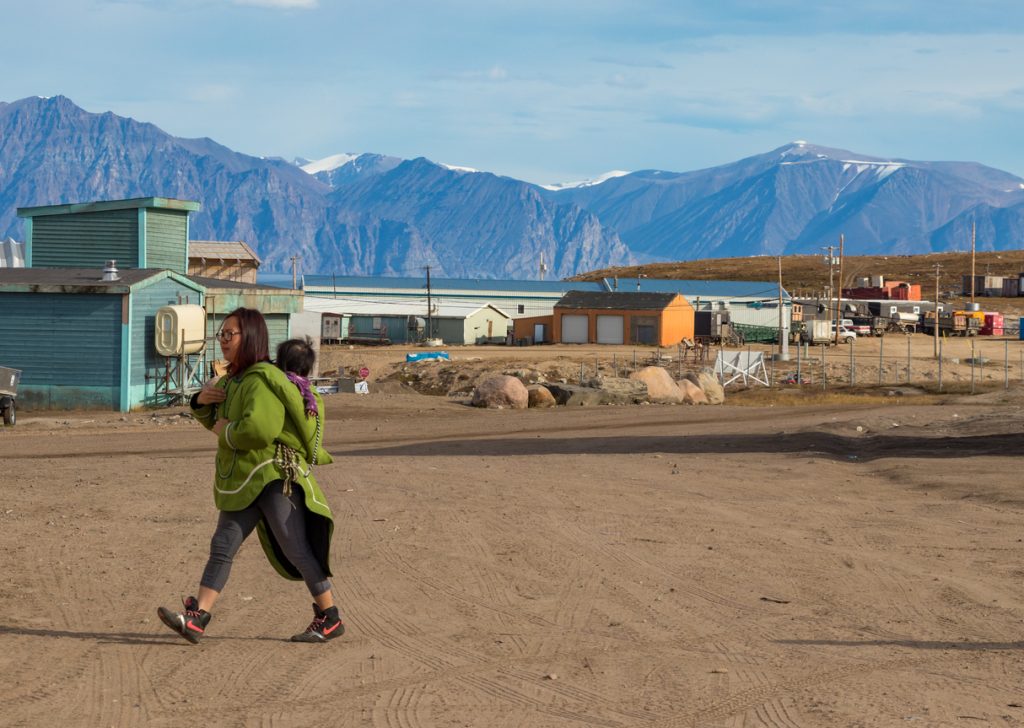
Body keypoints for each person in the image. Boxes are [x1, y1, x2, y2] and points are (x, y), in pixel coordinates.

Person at [157, 309, 343, 644]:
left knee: (297, 549)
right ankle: (198, 617)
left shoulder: (260, 380)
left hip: (271, 475)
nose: (224, 341)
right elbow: (215, 417)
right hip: (245, 478)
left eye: (231, 335)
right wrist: (199, 400)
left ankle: (329, 617)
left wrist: (225, 432)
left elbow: (259, 430)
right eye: (222, 335)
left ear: (251, 337)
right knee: (222, 546)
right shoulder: (234, 380)